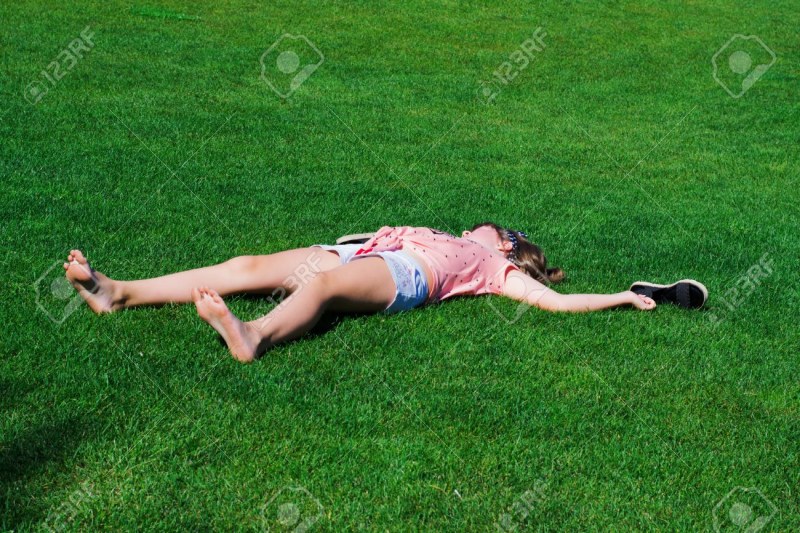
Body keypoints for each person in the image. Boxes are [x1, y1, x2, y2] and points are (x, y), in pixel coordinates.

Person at [63, 223, 707, 363]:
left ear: (510, 248)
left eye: (499, 230)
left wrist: (624, 298)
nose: (484, 227)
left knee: (324, 287)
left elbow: (558, 303)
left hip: (406, 277)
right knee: (248, 264)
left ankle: (253, 336)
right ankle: (119, 292)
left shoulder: (497, 269)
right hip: (366, 252)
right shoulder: (454, 235)